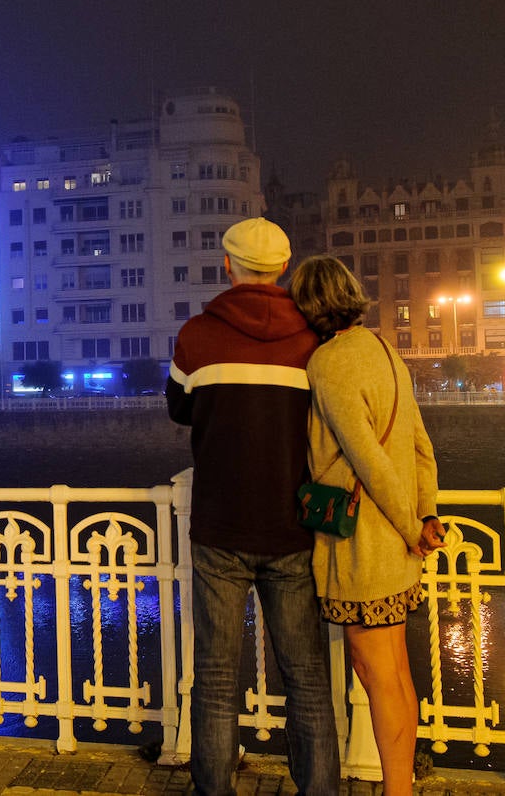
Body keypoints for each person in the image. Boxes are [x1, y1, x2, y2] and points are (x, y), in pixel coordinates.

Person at [165, 218, 340, 795]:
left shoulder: (197, 335)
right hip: (293, 525)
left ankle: (213, 788)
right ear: (285, 269)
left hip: (218, 524)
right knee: (307, 676)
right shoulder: (315, 337)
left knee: (215, 677)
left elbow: (180, 409)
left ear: (227, 267)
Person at [290, 256, 444, 795]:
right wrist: (426, 515)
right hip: (398, 544)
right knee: (397, 673)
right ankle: (400, 785)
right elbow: (420, 444)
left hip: (366, 542)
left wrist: (408, 527)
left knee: (376, 672)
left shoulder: (327, 363)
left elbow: (366, 461)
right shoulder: (385, 349)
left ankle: (397, 789)